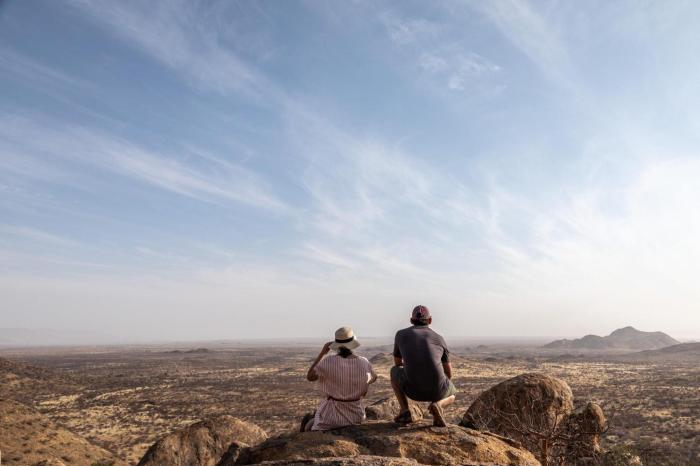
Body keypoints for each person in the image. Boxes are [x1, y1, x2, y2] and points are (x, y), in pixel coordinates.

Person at [391, 305, 457, 427]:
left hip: (413, 391)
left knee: (394, 371)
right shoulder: (439, 338)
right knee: (452, 395)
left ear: (411, 320)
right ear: (430, 320)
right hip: (436, 392)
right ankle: (439, 405)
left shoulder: (400, 334)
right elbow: (449, 373)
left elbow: (398, 364)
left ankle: (405, 411)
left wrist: (413, 367)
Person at [301, 326, 377, 431]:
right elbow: (374, 377)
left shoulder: (329, 361)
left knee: (309, 425)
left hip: (331, 418)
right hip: (357, 415)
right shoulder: (364, 362)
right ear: (352, 344)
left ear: (337, 345)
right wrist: (362, 385)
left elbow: (310, 377)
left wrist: (322, 353)